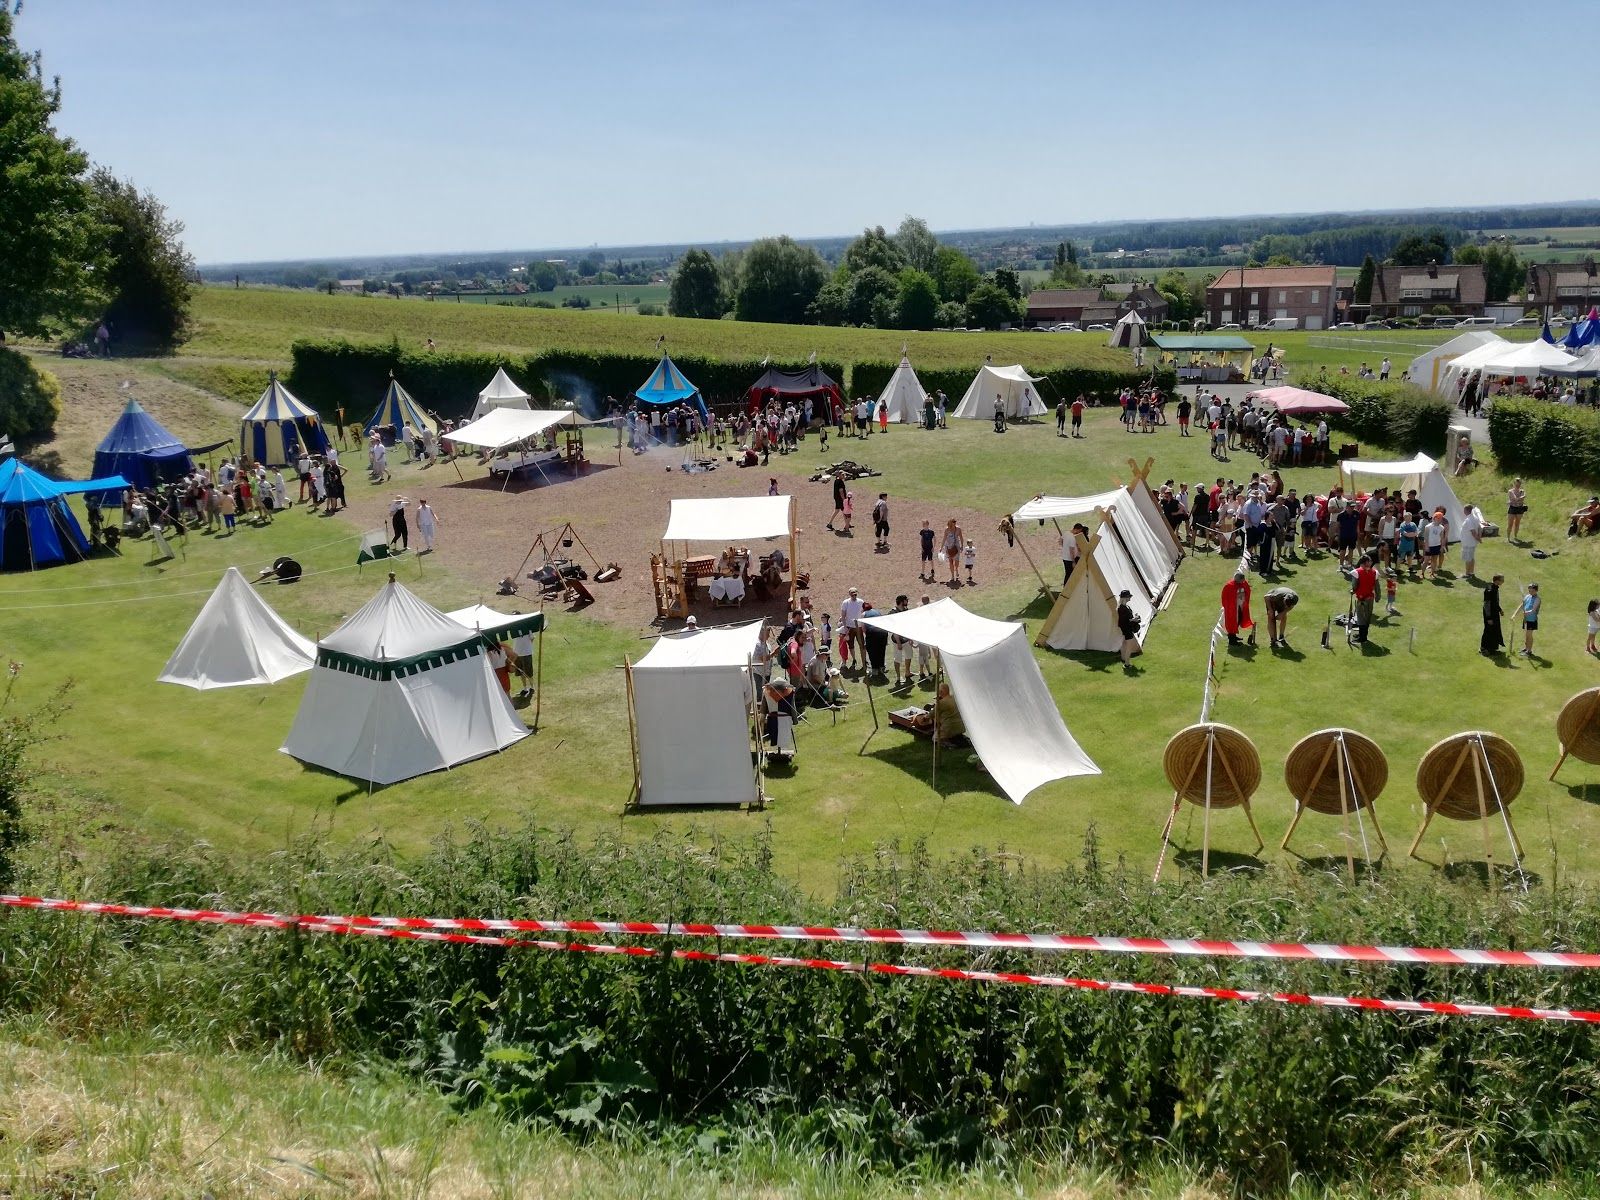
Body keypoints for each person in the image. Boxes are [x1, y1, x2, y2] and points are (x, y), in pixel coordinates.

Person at [1350, 555, 1379, 644]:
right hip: (1370, 598)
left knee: (1361, 618)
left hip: (1362, 599)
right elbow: (1377, 586)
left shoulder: (1356, 572)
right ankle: (1362, 634)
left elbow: (1354, 586)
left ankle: (1363, 638)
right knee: (1366, 617)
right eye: (1370, 561)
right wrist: (1378, 596)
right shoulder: (1374, 572)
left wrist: (1353, 591)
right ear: (1365, 562)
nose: (1371, 562)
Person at [1221, 570, 1253, 646]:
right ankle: (1232, 641)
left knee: (1239, 620)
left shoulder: (1242, 583)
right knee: (1232, 622)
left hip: (1240, 606)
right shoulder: (1229, 586)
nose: (1242, 582)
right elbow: (1225, 597)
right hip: (1232, 608)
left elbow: (1247, 589)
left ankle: (1234, 636)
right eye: (1241, 581)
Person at [839, 586, 866, 670]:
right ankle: (854, 659)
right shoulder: (845, 603)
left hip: (859, 626)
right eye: (852, 594)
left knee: (862, 644)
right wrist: (845, 626)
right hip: (850, 626)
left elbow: (864, 613)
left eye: (855, 594)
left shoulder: (861, 602)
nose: (854, 596)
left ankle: (864, 661)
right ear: (849, 594)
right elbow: (843, 615)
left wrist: (864, 625)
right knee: (851, 645)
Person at [890, 595, 914, 686]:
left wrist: (910, 638)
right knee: (898, 659)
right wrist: (899, 642)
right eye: (906, 600)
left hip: (906, 639)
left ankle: (907, 672)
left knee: (909, 656)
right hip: (897, 640)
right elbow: (894, 628)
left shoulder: (906, 610)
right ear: (902, 601)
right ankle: (898, 677)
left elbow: (908, 626)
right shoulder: (893, 612)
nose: (907, 602)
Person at [1115, 588, 1141, 668]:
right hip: (1127, 629)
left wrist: (1134, 618)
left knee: (1124, 644)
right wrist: (1134, 619)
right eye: (1129, 596)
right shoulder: (1122, 608)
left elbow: (1126, 619)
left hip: (1126, 628)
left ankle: (1123, 658)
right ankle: (1127, 664)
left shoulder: (1125, 606)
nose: (1130, 598)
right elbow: (1124, 621)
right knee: (1129, 647)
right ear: (1125, 598)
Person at [1482, 574, 1505, 657]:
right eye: (1502, 580)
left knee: (1495, 629)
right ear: (1497, 580)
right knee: (1488, 630)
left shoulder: (1495, 588)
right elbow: (1487, 604)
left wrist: (1500, 610)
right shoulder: (1489, 589)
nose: (1503, 581)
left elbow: (1495, 602)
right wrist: (1488, 618)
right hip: (1490, 614)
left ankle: (1493, 648)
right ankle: (1484, 648)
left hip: (1494, 613)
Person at [1458, 503, 1483, 579]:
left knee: (1468, 558)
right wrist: (1479, 537)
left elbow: (1473, 532)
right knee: (1471, 557)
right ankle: (1471, 572)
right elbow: (1479, 528)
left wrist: (1478, 539)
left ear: (1466, 510)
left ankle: (1467, 573)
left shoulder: (1469, 520)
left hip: (1468, 542)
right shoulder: (1475, 518)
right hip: (1471, 542)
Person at [1520, 583, 1541, 657]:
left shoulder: (1537, 599)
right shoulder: (1527, 596)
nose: (1530, 592)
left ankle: (1529, 651)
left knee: (1529, 635)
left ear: (1536, 590)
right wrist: (1515, 614)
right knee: (1526, 634)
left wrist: (1526, 613)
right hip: (1525, 619)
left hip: (1532, 619)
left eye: (1532, 591)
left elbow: (1534, 610)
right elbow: (1522, 605)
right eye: (1529, 590)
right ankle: (1526, 648)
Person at [942, 518, 963, 584]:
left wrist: (962, 546)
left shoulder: (958, 529)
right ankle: (952, 576)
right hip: (948, 547)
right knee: (950, 562)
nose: (954, 523)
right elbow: (944, 538)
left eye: (955, 522)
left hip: (956, 547)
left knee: (956, 562)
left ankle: (956, 569)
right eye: (953, 522)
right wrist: (941, 547)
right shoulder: (947, 530)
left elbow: (961, 538)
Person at [1506, 478, 1528, 543]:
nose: (1518, 485)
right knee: (1510, 524)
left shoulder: (1522, 491)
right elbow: (1514, 498)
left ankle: (1515, 536)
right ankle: (1508, 537)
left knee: (1517, 523)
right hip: (1512, 508)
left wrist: (1515, 500)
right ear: (1514, 484)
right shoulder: (1511, 491)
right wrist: (1518, 499)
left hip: (1520, 508)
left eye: (1519, 484)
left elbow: (1522, 497)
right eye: (1516, 484)